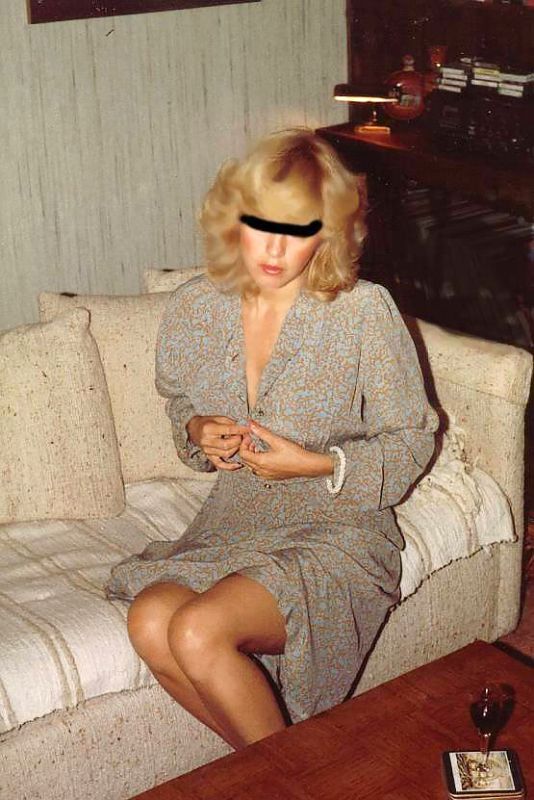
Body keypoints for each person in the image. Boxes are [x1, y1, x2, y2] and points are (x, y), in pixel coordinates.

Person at [106, 128, 438, 751]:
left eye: (299, 229)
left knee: (196, 630)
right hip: (235, 524)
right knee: (150, 618)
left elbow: (412, 440)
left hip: (338, 529)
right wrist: (198, 432)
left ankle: (288, 778)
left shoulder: (363, 312)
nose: (276, 249)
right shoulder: (194, 309)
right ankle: (298, 775)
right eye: (262, 224)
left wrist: (318, 465)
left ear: (328, 233)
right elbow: (182, 407)